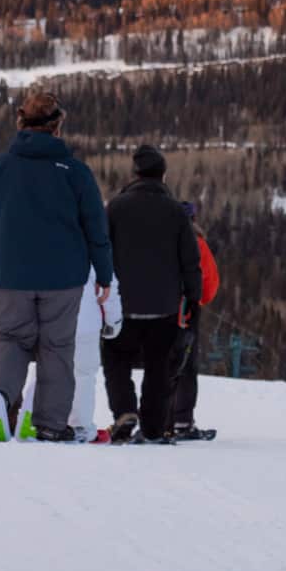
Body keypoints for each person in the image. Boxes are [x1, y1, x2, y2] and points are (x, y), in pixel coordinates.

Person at [0, 90, 113, 442]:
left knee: (10, 338)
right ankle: (49, 423)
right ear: (58, 126)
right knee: (57, 347)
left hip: (8, 274)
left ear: (21, 122)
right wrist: (103, 275)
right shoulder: (75, 172)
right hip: (63, 278)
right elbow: (96, 227)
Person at [101, 146, 202, 444]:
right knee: (159, 366)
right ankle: (154, 427)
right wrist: (192, 300)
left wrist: (101, 290)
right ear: (163, 174)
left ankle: (124, 410)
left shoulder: (116, 208)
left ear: (135, 174)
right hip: (165, 306)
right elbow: (190, 261)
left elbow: (102, 251)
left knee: (116, 359)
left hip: (123, 303)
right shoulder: (175, 212)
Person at [167, 200, 221, 441]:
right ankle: (182, 419)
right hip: (188, 309)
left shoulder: (160, 241)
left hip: (157, 306)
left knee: (160, 362)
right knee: (187, 364)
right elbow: (209, 285)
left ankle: (158, 417)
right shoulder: (198, 244)